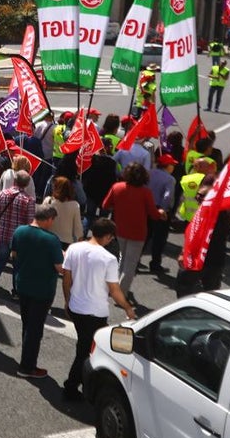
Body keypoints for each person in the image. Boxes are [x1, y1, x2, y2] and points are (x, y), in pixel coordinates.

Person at [61, 219, 136, 400]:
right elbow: (114, 290)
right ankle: (71, 387)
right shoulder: (108, 259)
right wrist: (127, 308)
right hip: (95, 312)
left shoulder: (74, 248)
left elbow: (66, 279)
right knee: (86, 351)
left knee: (85, 347)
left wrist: (67, 301)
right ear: (108, 236)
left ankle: (80, 384)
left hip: (76, 308)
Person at [10, 204, 65, 378]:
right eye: (52, 220)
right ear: (48, 219)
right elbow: (60, 268)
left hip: (22, 285)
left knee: (28, 325)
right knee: (35, 330)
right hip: (42, 290)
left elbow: (14, 254)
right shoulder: (51, 240)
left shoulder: (19, 231)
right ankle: (27, 366)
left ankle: (27, 359)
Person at [102, 162, 166, 298]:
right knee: (130, 265)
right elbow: (154, 214)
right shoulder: (145, 193)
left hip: (119, 229)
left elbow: (105, 205)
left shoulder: (117, 187)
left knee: (119, 261)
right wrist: (160, 212)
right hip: (138, 232)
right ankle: (120, 292)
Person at [146, 153, 178, 273]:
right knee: (159, 239)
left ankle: (136, 261)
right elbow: (168, 196)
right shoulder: (170, 179)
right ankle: (155, 264)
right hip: (160, 210)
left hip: (147, 208)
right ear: (167, 166)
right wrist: (164, 209)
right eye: (172, 165)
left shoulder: (149, 173)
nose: (173, 167)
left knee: (146, 235)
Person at [42, 176, 83, 246]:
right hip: (66, 242)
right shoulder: (75, 205)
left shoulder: (48, 201)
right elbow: (78, 228)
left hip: (48, 239)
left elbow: (41, 221)